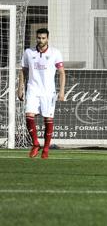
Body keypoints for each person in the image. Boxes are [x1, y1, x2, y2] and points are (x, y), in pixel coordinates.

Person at [17, 28, 66, 159]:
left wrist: (61, 91)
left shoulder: (55, 53)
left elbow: (61, 72)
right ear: (36, 38)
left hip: (48, 92)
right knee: (29, 115)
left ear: (47, 38)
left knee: (48, 119)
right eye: (39, 38)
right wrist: (20, 88)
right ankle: (35, 143)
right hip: (32, 89)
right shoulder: (28, 52)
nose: (41, 40)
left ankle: (45, 149)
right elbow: (23, 71)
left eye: (43, 38)